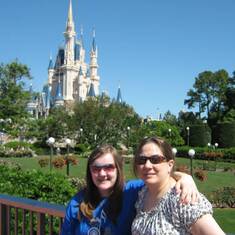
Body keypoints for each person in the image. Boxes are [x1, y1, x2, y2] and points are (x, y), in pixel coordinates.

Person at [61, 144, 199, 235]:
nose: (102, 174)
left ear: (118, 169)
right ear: (90, 172)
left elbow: (159, 177)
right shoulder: (77, 202)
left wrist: (185, 178)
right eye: (96, 168)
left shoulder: (131, 191)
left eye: (108, 167)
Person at [131, 137, 225, 235]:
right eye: (142, 160)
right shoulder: (143, 194)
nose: (147, 165)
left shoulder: (183, 198)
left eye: (155, 159)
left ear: (170, 164)